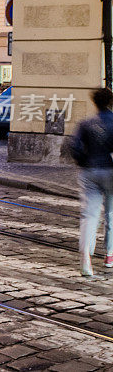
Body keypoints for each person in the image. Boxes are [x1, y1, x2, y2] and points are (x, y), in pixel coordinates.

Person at [70, 87, 113, 276]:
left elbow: (75, 146)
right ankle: (110, 254)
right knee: (111, 214)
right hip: (110, 171)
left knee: (89, 215)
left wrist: (84, 162)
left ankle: (86, 258)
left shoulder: (86, 123)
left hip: (89, 172)